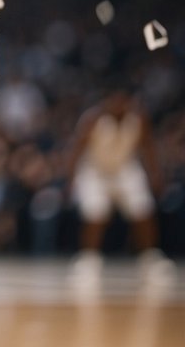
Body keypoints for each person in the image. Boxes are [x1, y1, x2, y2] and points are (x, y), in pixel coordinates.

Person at [68, 89, 173, 287]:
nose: (119, 104)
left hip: (125, 169)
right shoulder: (92, 119)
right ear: (107, 101)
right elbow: (77, 149)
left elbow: (148, 148)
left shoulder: (139, 118)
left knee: (142, 208)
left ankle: (150, 260)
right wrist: (71, 178)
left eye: (123, 99)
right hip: (95, 170)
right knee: (94, 212)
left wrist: (155, 174)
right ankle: (89, 261)